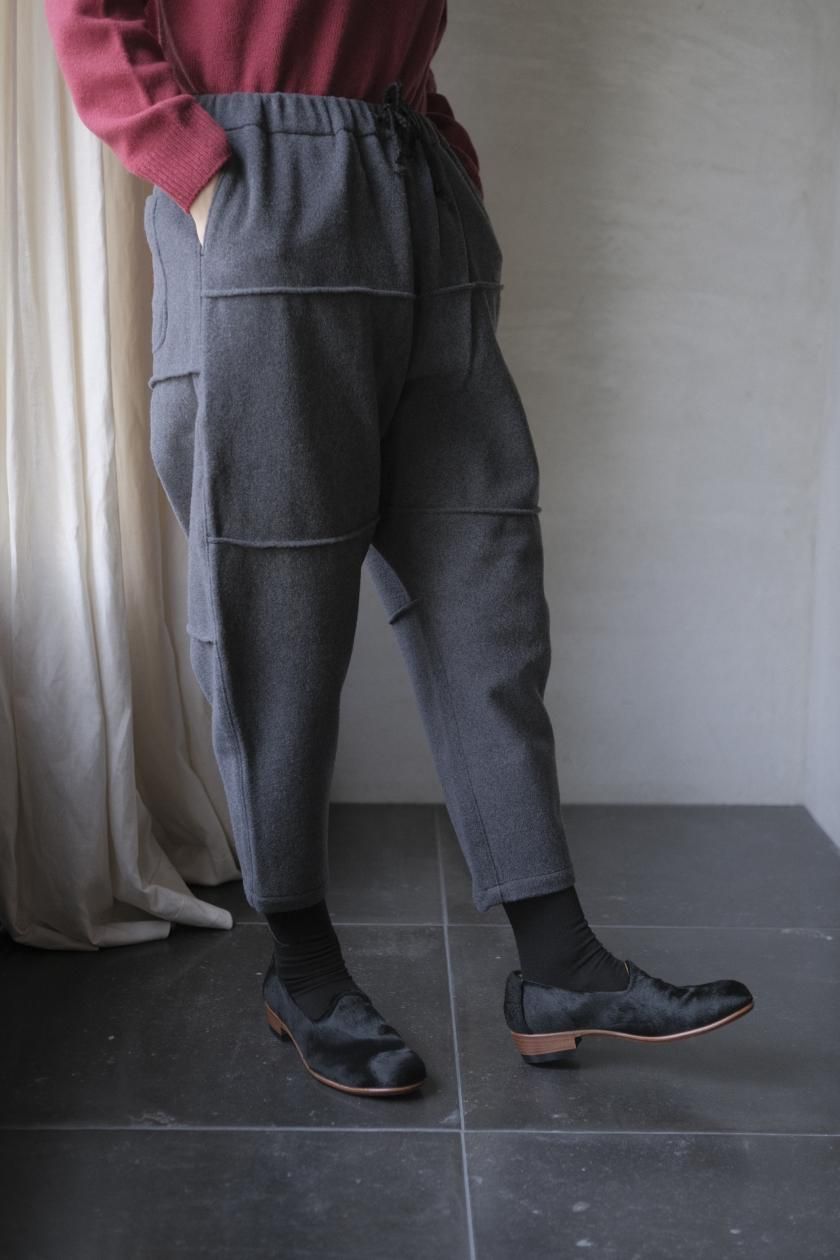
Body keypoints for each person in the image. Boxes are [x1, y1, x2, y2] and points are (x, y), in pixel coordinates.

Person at [44, 0, 754, 1097]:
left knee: (487, 586)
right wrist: (203, 171)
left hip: (409, 178)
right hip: (262, 185)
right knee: (277, 619)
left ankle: (559, 963)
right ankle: (304, 968)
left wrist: (443, 158)